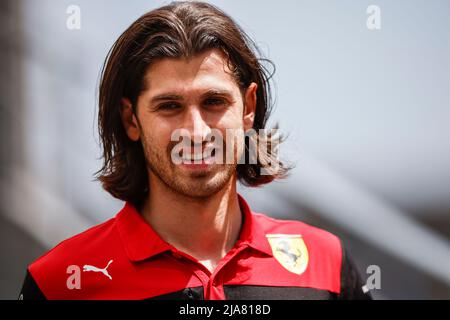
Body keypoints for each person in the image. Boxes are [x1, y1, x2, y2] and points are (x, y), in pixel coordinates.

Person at [19, 1, 371, 300]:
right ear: (131, 120)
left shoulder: (326, 265)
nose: (197, 131)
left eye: (214, 101)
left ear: (248, 108)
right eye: (170, 106)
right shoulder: (60, 281)